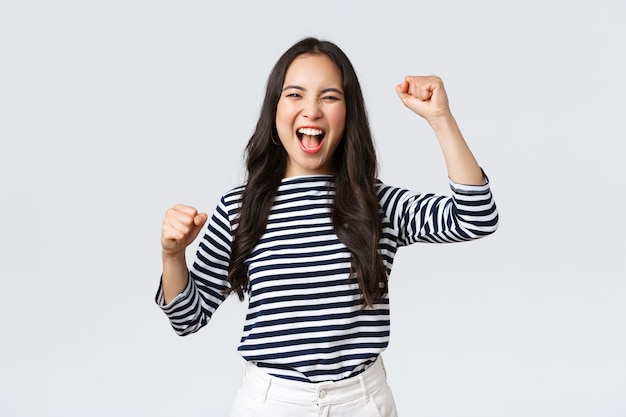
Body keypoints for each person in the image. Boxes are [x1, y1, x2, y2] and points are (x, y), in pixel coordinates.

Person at [156, 37, 498, 417]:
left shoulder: (377, 203)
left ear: (349, 113)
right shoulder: (241, 208)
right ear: (274, 108)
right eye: (295, 95)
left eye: (329, 97)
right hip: (271, 405)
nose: (311, 110)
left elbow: (476, 216)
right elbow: (187, 318)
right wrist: (173, 255)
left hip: (363, 403)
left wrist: (440, 119)